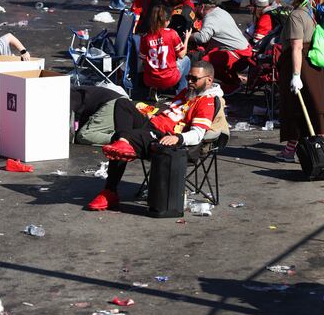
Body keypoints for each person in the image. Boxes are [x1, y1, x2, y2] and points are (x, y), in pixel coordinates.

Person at [87, 61, 223, 211]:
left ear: (209, 80)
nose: (189, 81)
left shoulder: (206, 102)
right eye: (188, 77)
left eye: (194, 79)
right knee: (122, 104)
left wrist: (178, 138)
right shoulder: (187, 92)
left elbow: (198, 134)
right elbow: (170, 113)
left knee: (122, 138)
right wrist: (150, 111)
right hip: (152, 124)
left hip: (162, 137)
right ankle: (124, 143)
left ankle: (110, 191)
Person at [276, 0, 324, 162]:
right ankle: (309, 148)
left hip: (299, 65)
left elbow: (296, 46)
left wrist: (296, 75)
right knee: (311, 105)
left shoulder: (297, 15)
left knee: (295, 107)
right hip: (310, 65)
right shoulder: (310, 12)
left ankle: (293, 150)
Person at [191, 0, 253, 93]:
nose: (195, 8)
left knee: (205, 63)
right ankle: (234, 80)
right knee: (211, 55)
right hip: (243, 51)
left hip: (240, 55)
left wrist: (189, 36)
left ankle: (232, 84)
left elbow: (203, 37)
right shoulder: (220, 11)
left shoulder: (210, 17)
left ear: (202, 6)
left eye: (196, 5)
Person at [140, 3, 190, 95]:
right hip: (169, 79)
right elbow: (181, 55)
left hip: (150, 79)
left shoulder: (145, 36)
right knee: (187, 60)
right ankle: (181, 92)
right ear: (166, 21)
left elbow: (143, 60)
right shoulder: (172, 33)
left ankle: (154, 88)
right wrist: (187, 39)